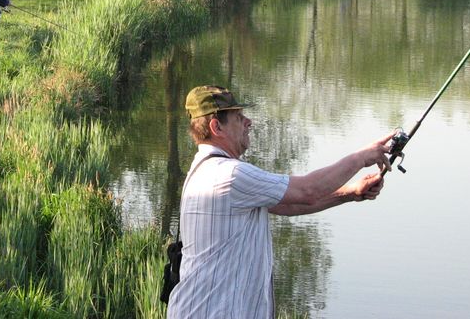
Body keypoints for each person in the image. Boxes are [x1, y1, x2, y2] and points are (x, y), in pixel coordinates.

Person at [166, 85, 394, 319]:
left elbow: (287, 204)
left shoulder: (205, 170)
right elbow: (308, 190)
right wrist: (362, 157)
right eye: (238, 117)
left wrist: (351, 192)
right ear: (216, 127)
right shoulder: (230, 175)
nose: (248, 122)